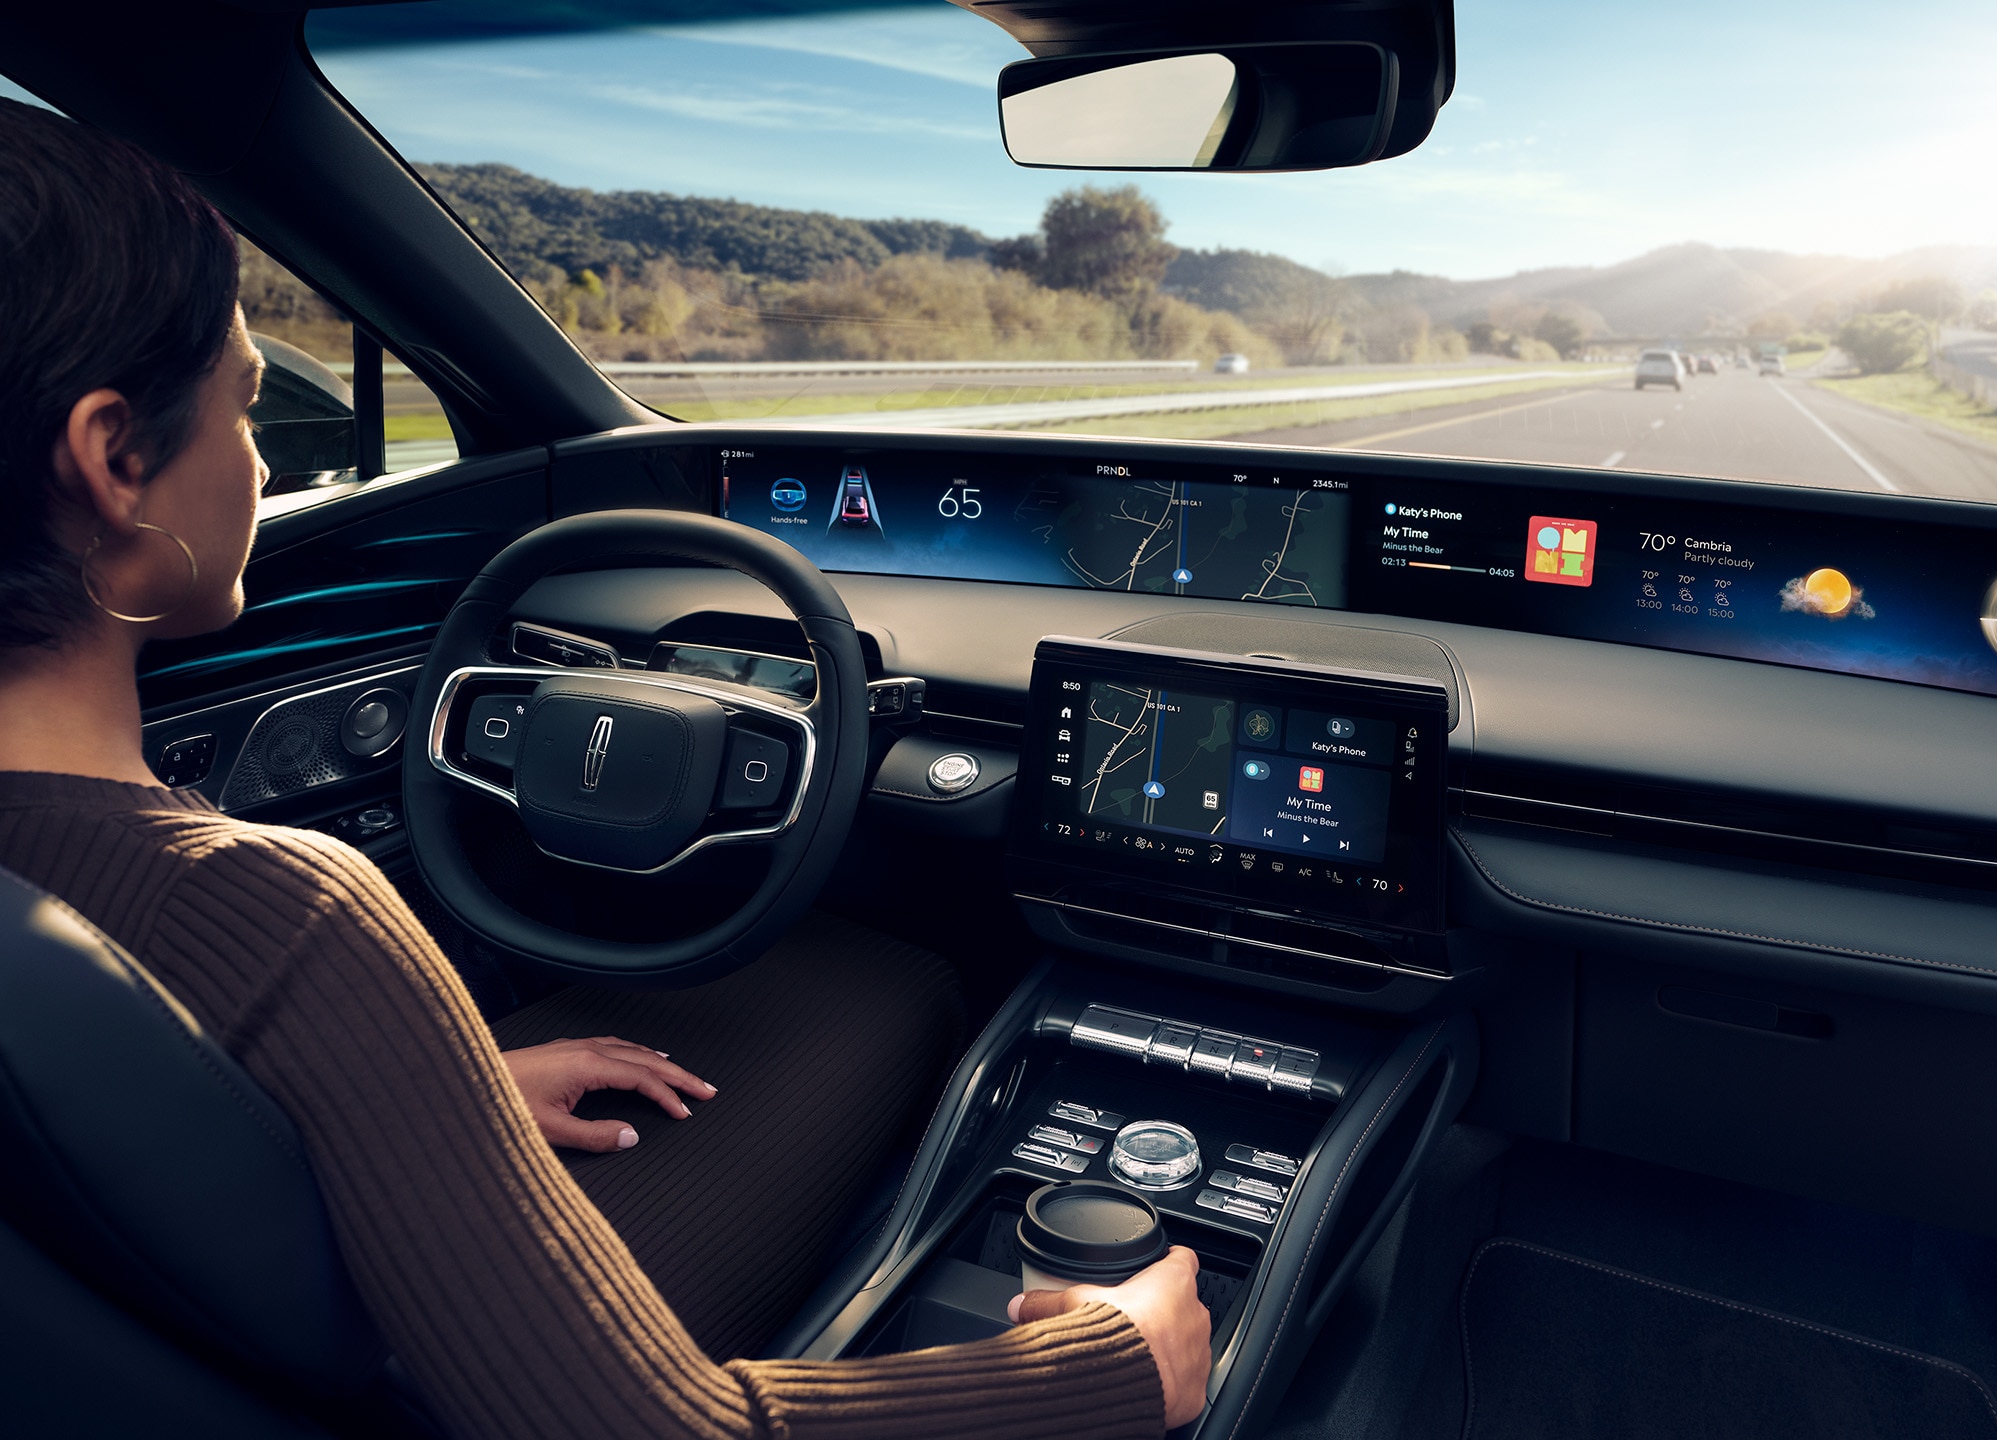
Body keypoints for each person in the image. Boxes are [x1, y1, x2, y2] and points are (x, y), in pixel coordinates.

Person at [0, 97, 1211, 1439]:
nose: (263, 452)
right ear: (115, 458)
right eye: (242, 402)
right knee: (895, 978)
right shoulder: (279, 915)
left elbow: (95, 1139)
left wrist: (411, 1096)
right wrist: (1109, 1368)